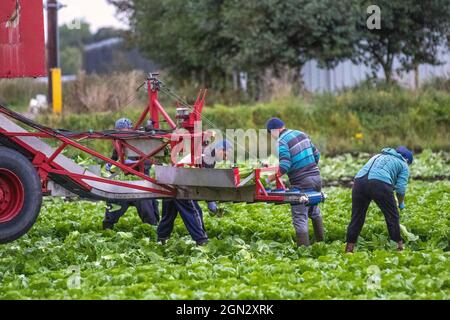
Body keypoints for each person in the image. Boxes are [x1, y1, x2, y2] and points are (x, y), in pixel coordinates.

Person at [156, 139, 233, 245]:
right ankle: (202, 240)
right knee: (193, 211)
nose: (226, 157)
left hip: (170, 181)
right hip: (182, 183)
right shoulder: (208, 157)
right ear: (220, 149)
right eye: (226, 154)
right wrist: (210, 201)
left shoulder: (205, 152)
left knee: (169, 213)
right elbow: (204, 180)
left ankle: (161, 239)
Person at [265, 118, 324, 247]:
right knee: (314, 211)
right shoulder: (301, 134)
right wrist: (310, 170)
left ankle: (304, 251)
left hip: (301, 182)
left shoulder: (281, 141)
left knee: (300, 216)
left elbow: (285, 166)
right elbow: (317, 155)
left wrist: (269, 179)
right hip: (316, 177)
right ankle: (321, 243)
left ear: (274, 131)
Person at [345, 147, 413, 253]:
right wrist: (401, 203)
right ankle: (399, 248)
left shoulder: (377, 156)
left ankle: (349, 249)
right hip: (379, 183)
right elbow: (400, 189)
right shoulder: (403, 164)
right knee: (392, 216)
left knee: (357, 217)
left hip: (359, 182)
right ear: (407, 160)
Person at [103, 118, 160, 230]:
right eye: (119, 131)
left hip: (140, 183)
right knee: (113, 202)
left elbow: (148, 161)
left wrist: (132, 164)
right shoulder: (118, 143)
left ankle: (153, 228)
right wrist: (110, 164)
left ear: (130, 129)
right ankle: (107, 227)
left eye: (124, 131)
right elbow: (114, 159)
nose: (122, 134)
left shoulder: (140, 141)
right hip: (123, 183)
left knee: (146, 206)